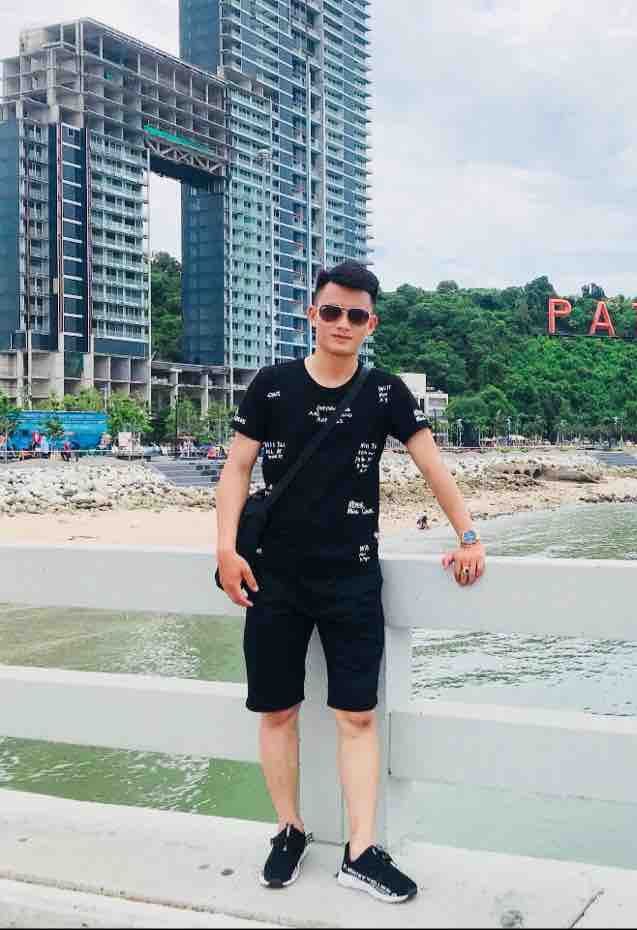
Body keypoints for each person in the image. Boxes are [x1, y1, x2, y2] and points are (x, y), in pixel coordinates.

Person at [215, 260, 485, 903]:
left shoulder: (385, 393)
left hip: (353, 574)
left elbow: (431, 464)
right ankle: (289, 830)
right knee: (277, 709)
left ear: (371, 324)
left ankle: (360, 851)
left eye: (355, 315)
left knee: (358, 715)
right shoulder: (271, 386)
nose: (342, 323)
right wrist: (225, 549)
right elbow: (236, 468)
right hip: (273, 575)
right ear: (312, 314)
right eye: (331, 311)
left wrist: (469, 535)